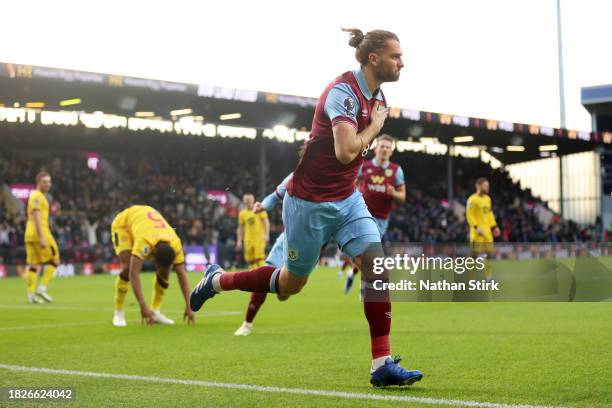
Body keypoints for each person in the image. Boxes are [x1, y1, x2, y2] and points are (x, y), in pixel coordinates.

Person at [192, 28, 422, 387]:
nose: (402, 63)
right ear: (374, 59)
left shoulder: (377, 95)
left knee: (377, 269)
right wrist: (376, 127)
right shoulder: (343, 93)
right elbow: (347, 151)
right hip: (309, 205)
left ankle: (382, 365)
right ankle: (217, 281)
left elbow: (349, 158)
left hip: (347, 200)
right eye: (396, 56)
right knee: (289, 285)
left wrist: (374, 126)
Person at [111, 205, 195, 327]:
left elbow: (181, 274)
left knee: (165, 273)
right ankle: (118, 312)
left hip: (147, 223)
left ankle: (155, 311)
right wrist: (142, 306)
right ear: (154, 260)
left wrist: (189, 305)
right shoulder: (144, 241)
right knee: (128, 267)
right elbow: (134, 274)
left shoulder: (175, 243)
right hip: (124, 224)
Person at [343, 133, 406, 294]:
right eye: (382, 146)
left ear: (391, 151)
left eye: (388, 147)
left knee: (366, 253)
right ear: (376, 148)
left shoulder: (396, 171)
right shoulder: (365, 166)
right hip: (362, 214)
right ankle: (366, 285)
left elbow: (403, 196)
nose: (384, 149)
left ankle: (352, 273)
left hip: (381, 220)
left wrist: (394, 193)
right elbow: (351, 182)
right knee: (369, 252)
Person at [234, 173, 293, 336]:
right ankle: (247, 324)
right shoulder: (295, 176)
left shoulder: (335, 180)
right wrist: (264, 204)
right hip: (288, 237)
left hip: (312, 241)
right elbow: (275, 196)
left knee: (285, 292)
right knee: (262, 280)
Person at [24, 171, 59, 304]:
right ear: (38, 183)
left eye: (49, 182)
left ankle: (31, 295)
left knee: (34, 265)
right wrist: (42, 237)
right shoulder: (37, 196)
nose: (47, 184)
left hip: (30, 235)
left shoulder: (38, 196)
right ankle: (42, 288)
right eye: (44, 182)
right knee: (55, 260)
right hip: (40, 233)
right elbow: (37, 217)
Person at [466, 177, 500, 281]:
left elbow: (489, 214)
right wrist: (476, 227)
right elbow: (469, 215)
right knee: (474, 256)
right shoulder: (472, 199)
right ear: (479, 186)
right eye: (486, 185)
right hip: (477, 232)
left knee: (489, 254)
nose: (487, 187)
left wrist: (494, 227)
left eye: (488, 185)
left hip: (487, 232)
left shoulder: (488, 199)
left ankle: (488, 277)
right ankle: (471, 278)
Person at [237, 193, 270, 268]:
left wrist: (267, 234)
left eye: (249, 199)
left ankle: (263, 274)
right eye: (246, 200)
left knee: (259, 258)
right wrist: (239, 241)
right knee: (250, 260)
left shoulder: (259, 209)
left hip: (259, 238)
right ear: (243, 201)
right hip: (248, 239)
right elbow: (240, 228)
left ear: (253, 200)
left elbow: (266, 222)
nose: (247, 201)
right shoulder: (242, 213)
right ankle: (253, 276)